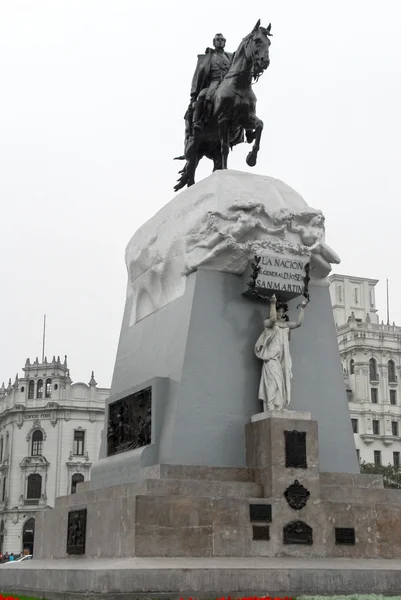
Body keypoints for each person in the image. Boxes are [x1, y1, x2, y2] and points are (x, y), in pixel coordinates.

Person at [255, 294, 308, 411]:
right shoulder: (268, 323)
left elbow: (298, 323)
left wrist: (302, 308)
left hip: (281, 360)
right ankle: (270, 406)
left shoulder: (285, 325)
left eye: (282, 312)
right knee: (273, 382)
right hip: (271, 358)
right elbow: (273, 319)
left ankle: (279, 406)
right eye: (278, 311)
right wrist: (272, 303)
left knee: (282, 383)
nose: (280, 314)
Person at [189, 33, 233, 132]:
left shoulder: (230, 56)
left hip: (228, 83)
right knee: (202, 95)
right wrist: (193, 95)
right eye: (217, 40)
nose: (220, 41)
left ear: (225, 43)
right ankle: (198, 121)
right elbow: (197, 77)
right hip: (213, 82)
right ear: (214, 42)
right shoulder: (206, 58)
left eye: (222, 40)